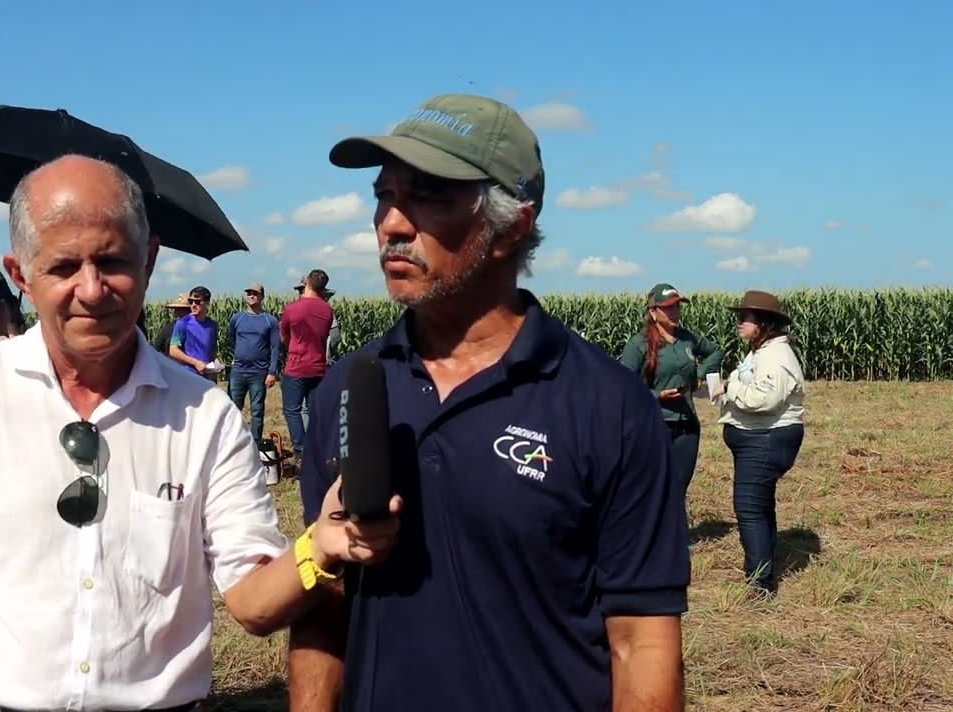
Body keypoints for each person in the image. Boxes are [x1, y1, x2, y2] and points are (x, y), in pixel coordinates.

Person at [0, 154, 402, 712]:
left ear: (150, 260)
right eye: (63, 267)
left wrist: (317, 547)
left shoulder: (205, 414)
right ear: (21, 276)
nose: (92, 289)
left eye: (113, 261)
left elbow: (252, 603)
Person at [289, 93, 689, 712]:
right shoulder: (350, 386)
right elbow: (327, 605)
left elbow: (641, 641)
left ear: (512, 227)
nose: (392, 224)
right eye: (384, 195)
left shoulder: (608, 405)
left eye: (428, 198)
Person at [711, 290, 806, 598]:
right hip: (758, 438)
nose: (739, 322)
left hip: (766, 439)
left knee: (750, 509)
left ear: (764, 323)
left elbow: (762, 400)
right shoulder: (760, 352)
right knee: (759, 506)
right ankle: (763, 570)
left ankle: (760, 583)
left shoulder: (776, 357)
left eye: (745, 318)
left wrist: (730, 387)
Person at [619, 283, 722, 510]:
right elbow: (623, 386)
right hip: (653, 425)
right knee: (651, 488)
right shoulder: (639, 344)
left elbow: (716, 351)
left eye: (677, 307)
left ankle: (675, 531)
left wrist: (700, 374)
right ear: (653, 312)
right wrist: (657, 395)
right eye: (668, 308)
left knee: (677, 489)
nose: (675, 312)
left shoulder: (687, 338)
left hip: (687, 426)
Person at [279, 270, 335, 460]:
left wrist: (293, 346)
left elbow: (284, 336)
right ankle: (316, 448)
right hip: (318, 368)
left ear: (307, 283)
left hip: (296, 366)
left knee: (291, 410)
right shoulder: (327, 310)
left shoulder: (292, 308)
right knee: (314, 410)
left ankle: (301, 450)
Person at [227, 282, 280, 443]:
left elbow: (275, 347)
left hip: (259, 373)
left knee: (257, 410)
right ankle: (232, 441)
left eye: (255, 293)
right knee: (233, 408)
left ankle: (255, 443)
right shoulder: (237, 318)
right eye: (249, 293)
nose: (252, 296)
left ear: (262, 297)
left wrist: (272, 372)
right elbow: (231, 340)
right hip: (238, 371)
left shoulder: (269, 320)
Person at [168, 285, 219, 376]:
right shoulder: (183, 323)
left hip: (207, 375)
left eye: (197, 302)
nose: (193, 305)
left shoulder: (212, 325)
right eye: (191, 301)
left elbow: (212, 350)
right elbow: (173, 350)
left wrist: (216, 363)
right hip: (188, 374)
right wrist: (196, 363)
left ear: (207, 303)